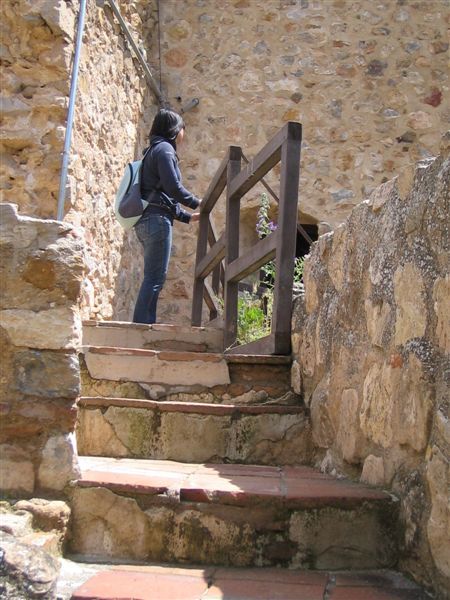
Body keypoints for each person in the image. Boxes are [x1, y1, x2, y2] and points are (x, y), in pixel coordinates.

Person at [132, 109, 201, 324]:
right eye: (182, 128)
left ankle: (144, 324)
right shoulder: (165, 151)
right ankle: (142, 327)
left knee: (153, 277)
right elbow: (173, 188)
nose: (184, 134)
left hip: (146, 219)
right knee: (154, 278)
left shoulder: (152, 150)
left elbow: (161, 193)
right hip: (157, 221)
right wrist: (197, 202)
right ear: (174, 129)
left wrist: (187, 217)